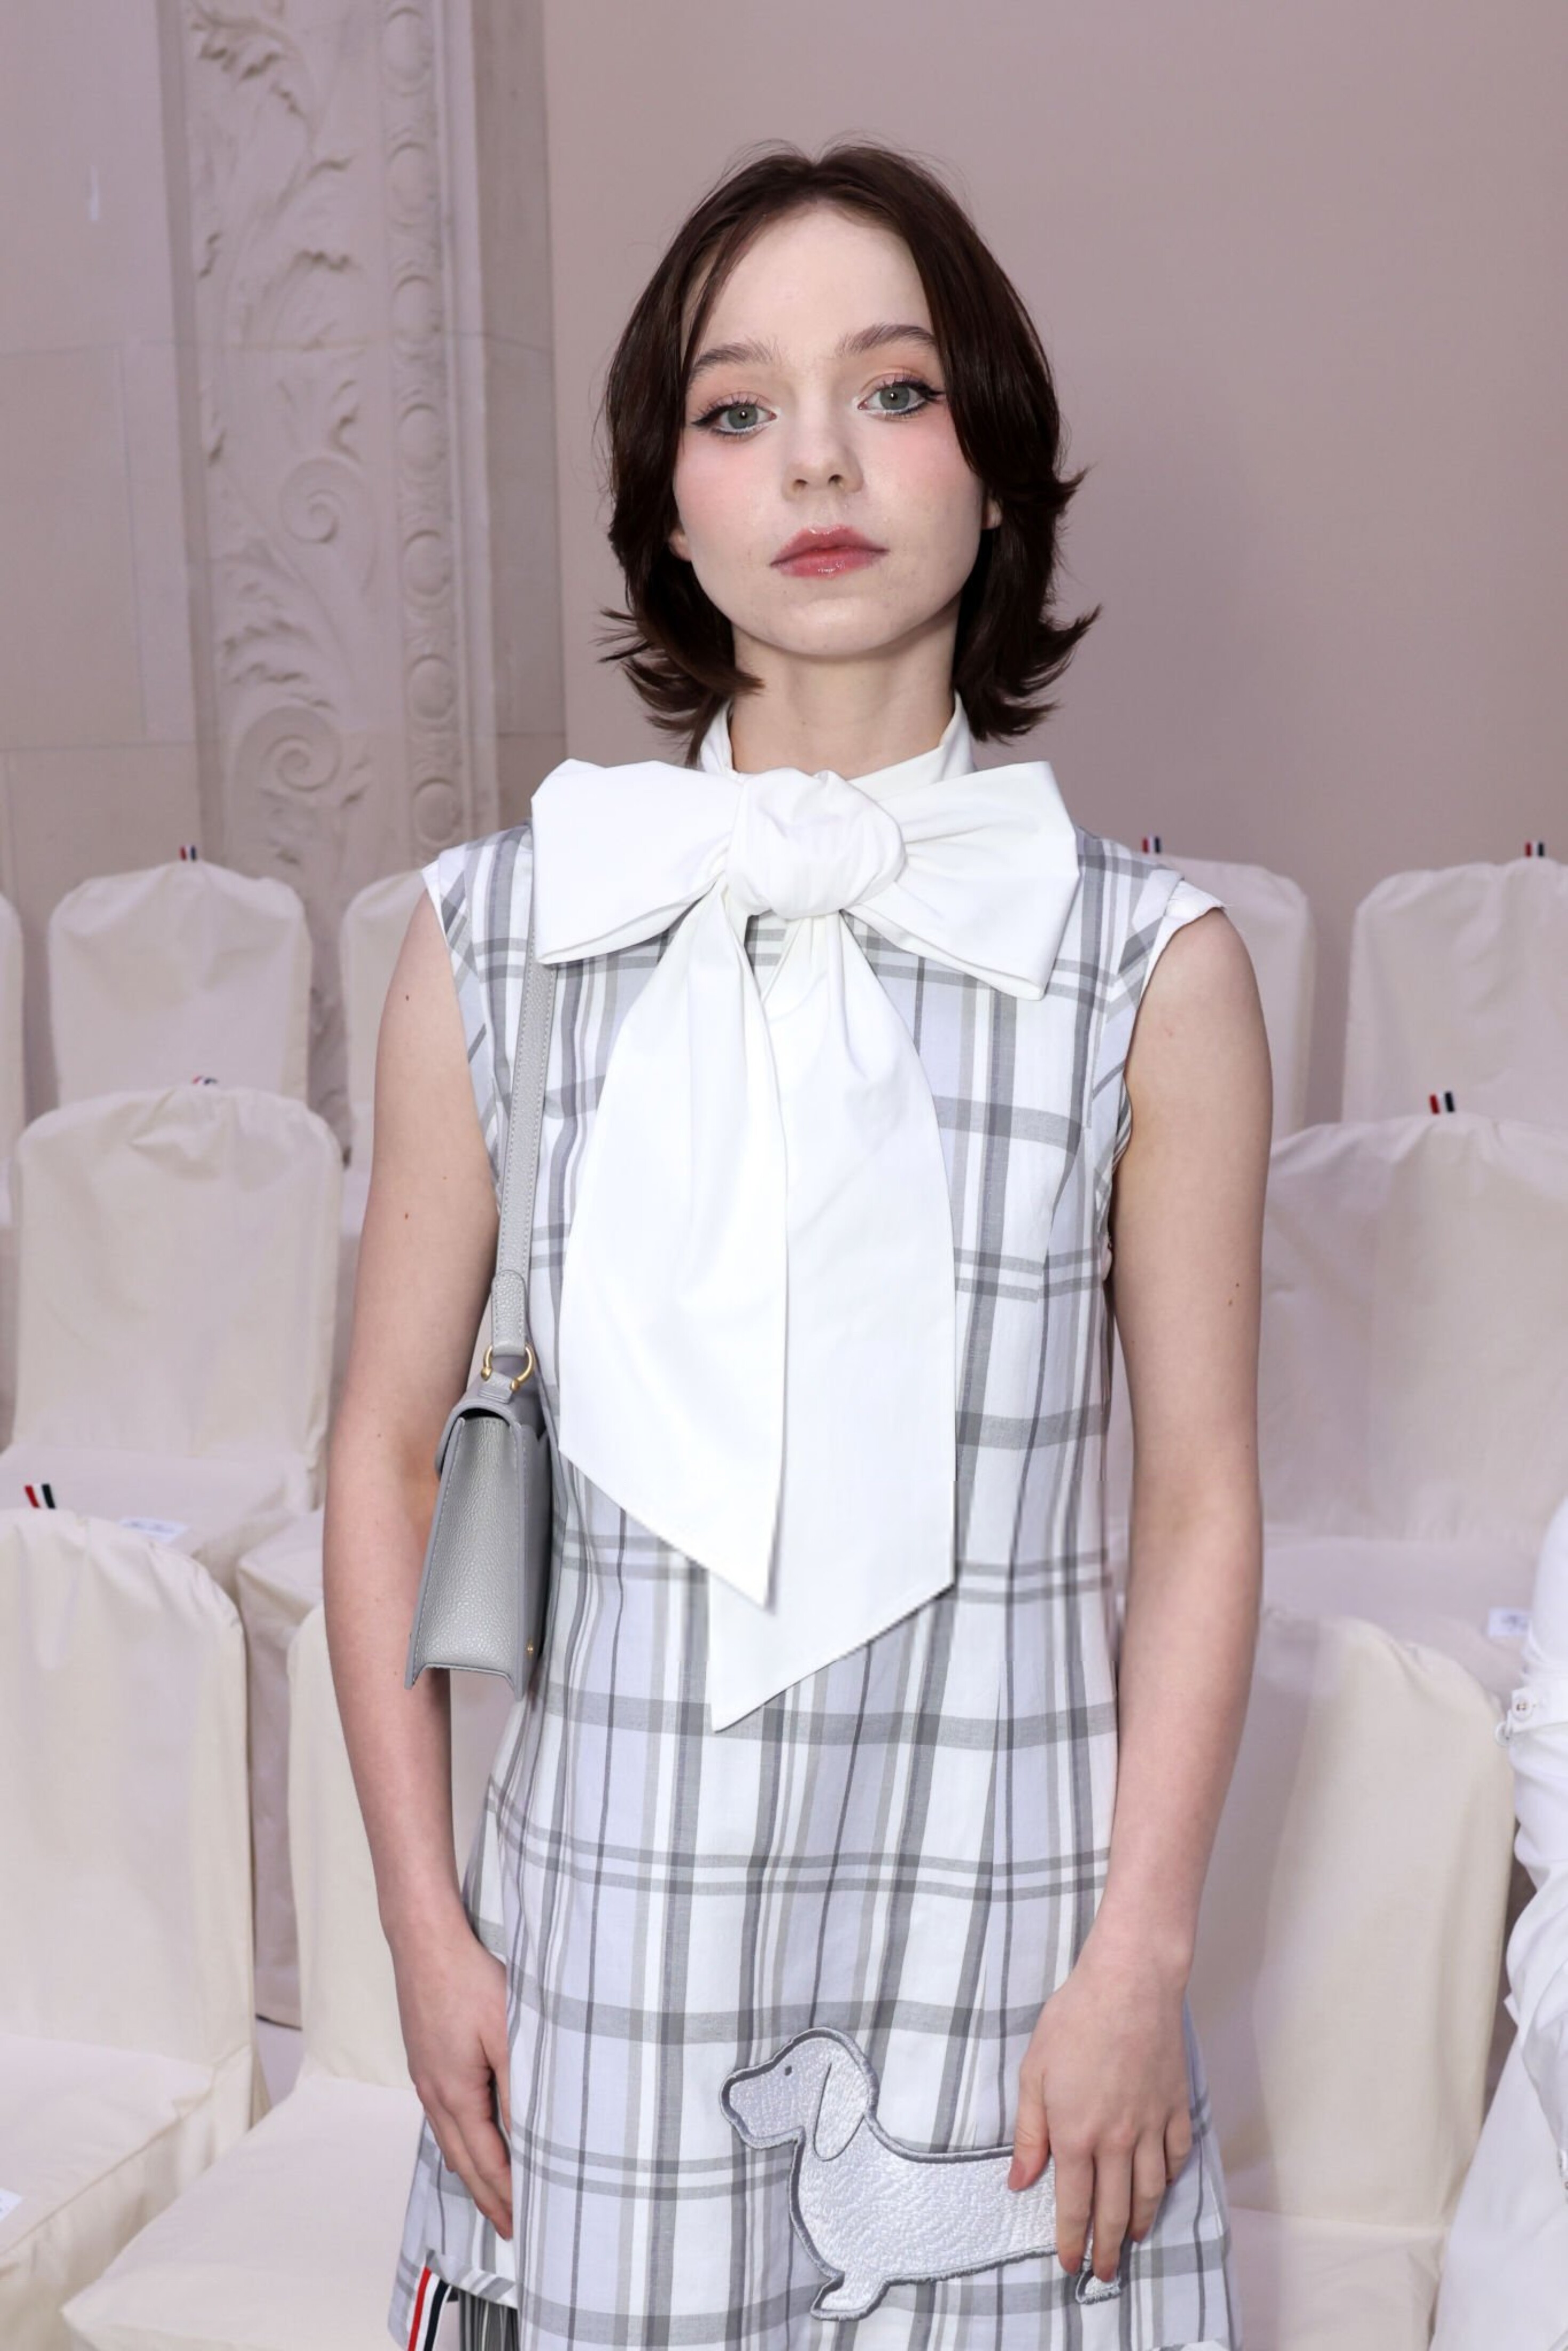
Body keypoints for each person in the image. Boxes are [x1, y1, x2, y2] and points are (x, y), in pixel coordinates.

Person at [325, 138, 1270, 2351]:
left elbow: (1201, 1500)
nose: (818, 459)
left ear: (993, 469)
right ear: (668, 505)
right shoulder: (497, 935)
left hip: (1004, 1933)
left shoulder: (1151, 967)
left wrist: (1139, 1954)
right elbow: (379, 1455)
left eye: (893, 390)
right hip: (610, 1933)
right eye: (738, 409)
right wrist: (424, 1927)